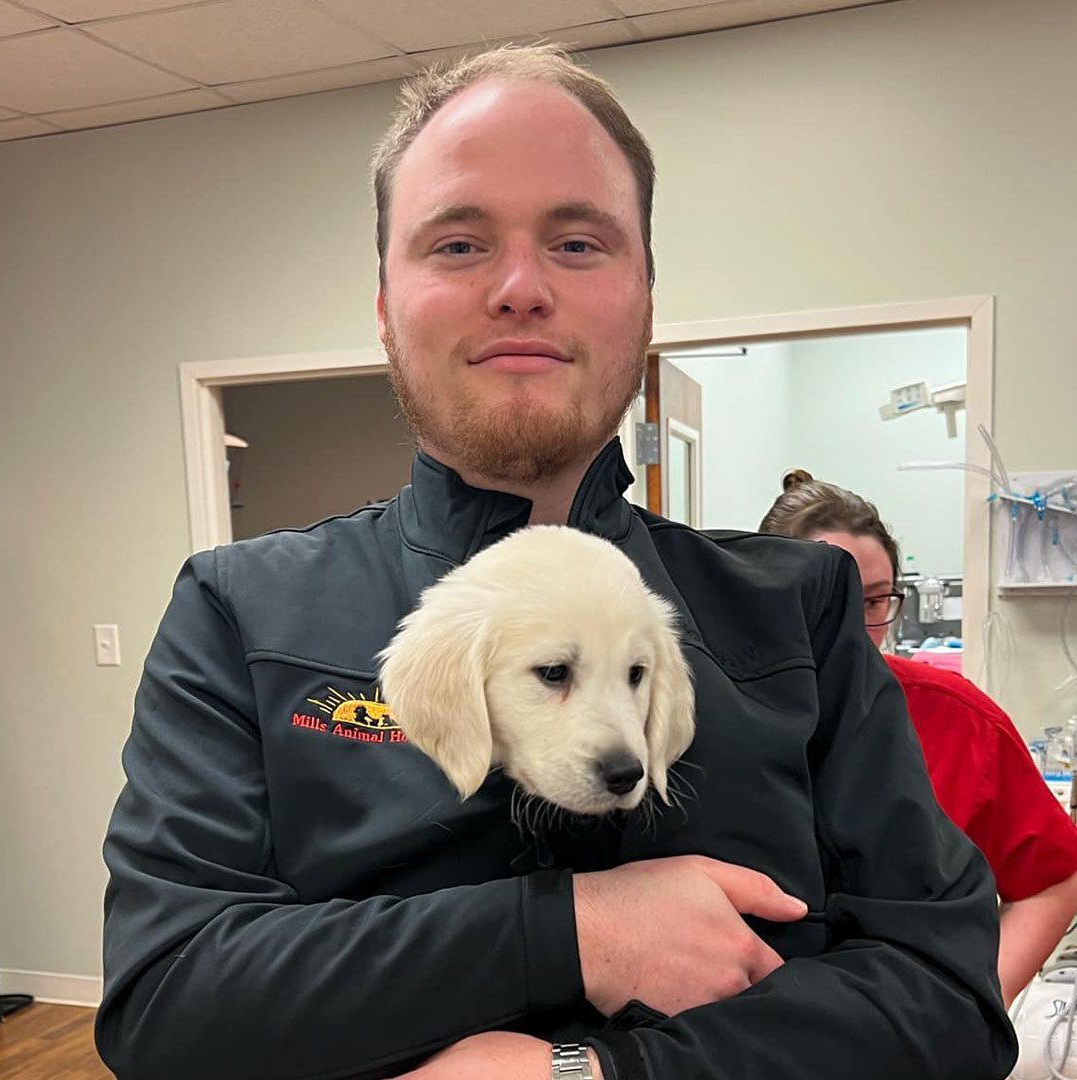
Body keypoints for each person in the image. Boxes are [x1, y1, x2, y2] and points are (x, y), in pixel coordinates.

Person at [96, 45, 1017, 1080]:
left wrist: (591, 1074)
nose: (521, 287)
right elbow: (166, 1006)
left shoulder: (797, 607)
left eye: (579, 242)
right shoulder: (240, 611)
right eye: (457, 243)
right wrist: (573, 931)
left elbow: (947, 1000)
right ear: (385, 306)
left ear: (647, 301)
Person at [759, 468, 1077, 1008]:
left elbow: (1053, 878)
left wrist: (973, 1007)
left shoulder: (958, 720)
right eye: (825, 603)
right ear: (760, 596)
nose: (853, 633)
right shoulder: (703, 720)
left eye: (875, 603)